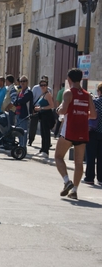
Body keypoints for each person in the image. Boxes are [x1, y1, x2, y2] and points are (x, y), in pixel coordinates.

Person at [55, 68, 96, 200]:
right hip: (82, 130)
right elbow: (94, 115)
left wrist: (58, 109)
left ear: (69, 79)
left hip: (69, 130)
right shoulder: (87, 95)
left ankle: (67, 181)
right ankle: (75, 190)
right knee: (79, 162)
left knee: (58, 156)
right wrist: (83, 115)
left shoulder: (68, 93)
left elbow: (63, 111)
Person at [84, 83, 102, 186]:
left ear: (99, 91)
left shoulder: (95, 102)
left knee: (90, 156)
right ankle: (101, 178)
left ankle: (89, 177)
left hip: (93, 131)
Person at [28, 75, 52, 146]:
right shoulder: (35, 88)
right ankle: (30, 140)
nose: (43, 85)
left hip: (44, 109)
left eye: (45, 83)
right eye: (42, 83)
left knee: (45, 127)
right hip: (36, 108)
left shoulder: (49, 90)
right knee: (33, 125)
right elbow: (32, 99)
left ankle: (46, 142)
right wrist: (31, 109)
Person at [33, 79, 54, 157]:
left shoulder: (48, 94)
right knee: (43, 133)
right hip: (42, 115)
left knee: (46, 133)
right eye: (41, 85)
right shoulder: (42, 94)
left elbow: (52, 105)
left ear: (47, 86)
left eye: (44, 85)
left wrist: (41, 108)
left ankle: (46, 151)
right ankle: (42, 149)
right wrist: (38, 107)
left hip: (47, 115)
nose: (43, 87)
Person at [13, 76, 33, 150]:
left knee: (23, 131)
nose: (22, 83)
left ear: (27, 82)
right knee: (18, 131)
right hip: (18, 113)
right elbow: (15, 101)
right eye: (21, 81)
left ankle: (23, 147)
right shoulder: (20, 91)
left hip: (24, 114)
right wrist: (18, 101)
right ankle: (20, 145)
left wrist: (18, 101)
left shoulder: (28, 92)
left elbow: (23, 100)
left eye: (24, 81)